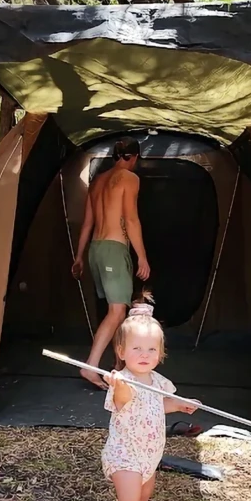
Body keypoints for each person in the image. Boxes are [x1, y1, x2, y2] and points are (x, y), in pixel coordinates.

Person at [102, 297, 198, 501]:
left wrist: (179, 404)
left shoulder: (158, 382)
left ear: (160, 352)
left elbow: (159, 405)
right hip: (126, 454)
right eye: (136, 348)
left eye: (151, 349)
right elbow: (123, 402)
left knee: (144, 496)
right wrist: (118, 385)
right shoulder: (123, 382)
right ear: (121, 351)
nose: (144, 354)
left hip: (149, 453)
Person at [71, 138, 150, 388]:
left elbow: (87, 223)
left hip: (96, 249)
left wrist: (79, 255)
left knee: (116, 311)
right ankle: (91, 368)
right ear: (134, 157)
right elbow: (131, 219)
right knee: (117, 312)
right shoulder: (129, 179)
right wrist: (142, 256)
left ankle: (119, 365)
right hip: (114, 250)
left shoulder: (97, 182)